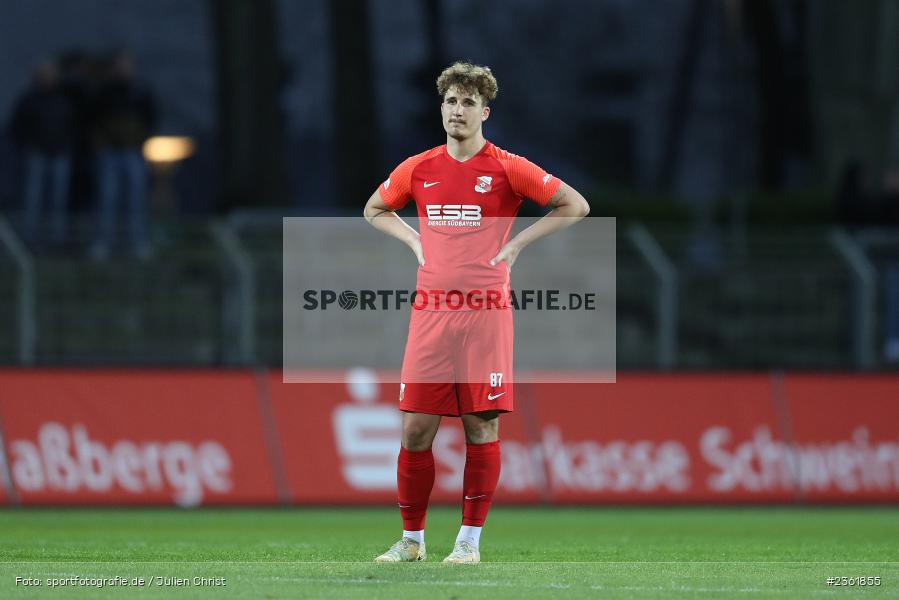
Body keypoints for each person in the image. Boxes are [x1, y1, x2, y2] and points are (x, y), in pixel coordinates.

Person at [363, 62, 589, 564]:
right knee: (415, 430)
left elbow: (575, 205)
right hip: (431, 315)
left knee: (480, 428)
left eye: (467, 103)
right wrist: (413, 239)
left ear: (484, 112)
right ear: (440, 109)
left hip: (486, 314)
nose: (457, 111)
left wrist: (519, 244)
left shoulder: (507, 167)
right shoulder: (418, 168)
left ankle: (468, 544)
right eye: (450, 101)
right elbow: (374, 209)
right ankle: (411, 542)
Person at [89, 50, 156, 259]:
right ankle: (103, 242)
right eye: (119, 65)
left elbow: (151, 118)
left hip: (132, 151)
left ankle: (137, 242)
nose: (123, 70)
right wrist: (100, 143)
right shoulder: (104, 92)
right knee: (107, 199)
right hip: (109, 153)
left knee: (135, 200)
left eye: (126, 65)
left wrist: (140, 139)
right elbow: (92, 119)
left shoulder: (140, 92)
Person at [9, 60, 77, 245]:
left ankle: (55, 240)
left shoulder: (64, 101)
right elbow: (17, 127)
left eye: (51, 74)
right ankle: (30, 239)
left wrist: (66, 144)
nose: (48, 78)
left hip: (60, 154)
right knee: (33, 200)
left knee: (58, 201)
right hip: (36, 155)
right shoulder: (29, 100)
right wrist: (28, 145)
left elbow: (73, 126)